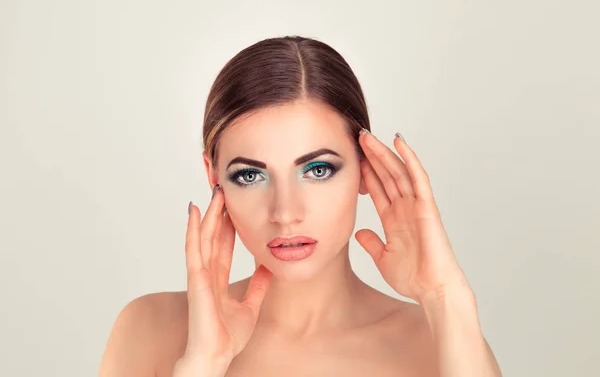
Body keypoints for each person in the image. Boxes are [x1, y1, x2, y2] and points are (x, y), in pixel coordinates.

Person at [99, 36, 502, 376]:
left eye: (317, 169)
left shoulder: (444, 342)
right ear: (213, 174)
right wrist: (203, 363)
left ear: (366, 168)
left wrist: (446, 297)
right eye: (251, 175)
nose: (285, 212)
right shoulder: (151, 329)